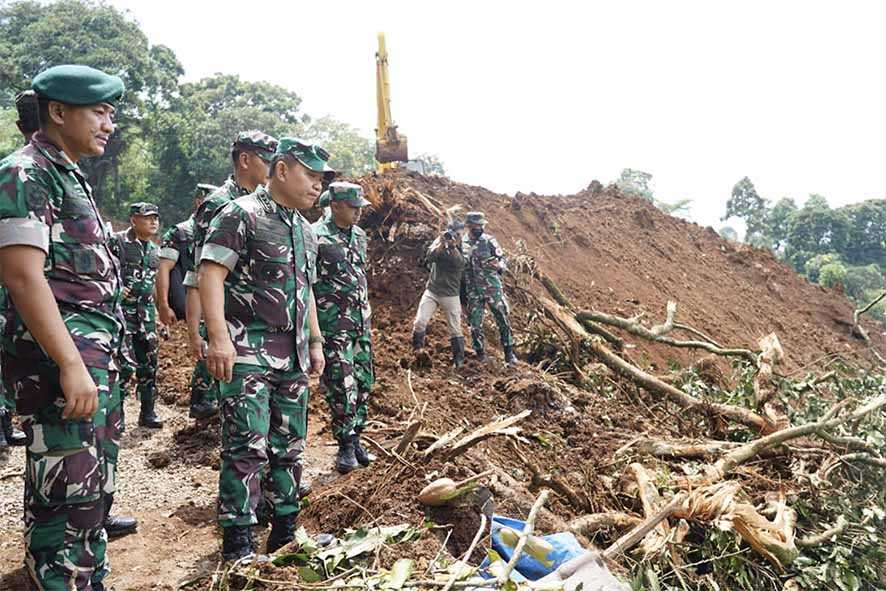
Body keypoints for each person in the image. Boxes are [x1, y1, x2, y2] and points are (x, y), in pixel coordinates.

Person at [0, 63, 125, 591]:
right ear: (57, 112)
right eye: (99, 111)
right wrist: (72, 365)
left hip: (89, 365)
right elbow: (23, 277)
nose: (108, 123)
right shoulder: (24, 172)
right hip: (62, 367)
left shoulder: (67, 172)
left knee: (89, 492)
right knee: (68, 496)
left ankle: (82, 576)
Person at [198, 137, 332, 560]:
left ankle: (285, 531)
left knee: (289, 445)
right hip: (248, 351)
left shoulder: (306, 231)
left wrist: (314, 340)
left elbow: (306, 290)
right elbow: (210, 274)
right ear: (281, 170)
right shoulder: (240, 215)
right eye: (310, 175)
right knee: (245, 446)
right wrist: (218, 339)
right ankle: (237, 542)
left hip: (290, 355)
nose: (317, 186)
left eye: (321, 179)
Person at [183, 130, 277, 419]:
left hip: (258, 316)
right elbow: (202, 270)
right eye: (267, 161)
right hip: (227, 313)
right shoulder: (217, 204)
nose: (273, 170)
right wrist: (200, 330)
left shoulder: (267, 203)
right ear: (245, 159)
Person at [312, 182, 376, 473]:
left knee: (364, 382)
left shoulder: (360, 236)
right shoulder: (316, 237)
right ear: (335, 205)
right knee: (341, 384)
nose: (359, 213)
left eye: (361, 207)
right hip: (333, 325)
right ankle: (345, 444)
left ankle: (357, 435)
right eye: (353, 207)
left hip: (360, 323)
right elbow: (307, 285)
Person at [156, 183, 218, 419]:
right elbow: (164, 269)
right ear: (199, 202)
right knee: (206, 344)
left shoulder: (221, 229)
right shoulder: (181, 233)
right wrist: (163, 304)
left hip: (214, 298)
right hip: (191, 299)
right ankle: (201, 401)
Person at [113, 202, 164, 429]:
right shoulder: (117, 242)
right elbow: (102, 268)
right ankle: (117, 416)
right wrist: (115, 287)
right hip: (122, 314)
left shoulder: (155, 250)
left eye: (156, 218)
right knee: (123, 366)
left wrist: (160, 316)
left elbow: (153, 285)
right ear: (134, 220)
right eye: (148, 218)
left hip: (146, 317)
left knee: (149, 364)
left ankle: (147, 412)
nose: (154, 222)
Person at [461, 211, 517, 364]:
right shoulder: (463, 244)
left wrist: (499, 266)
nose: (479, 228)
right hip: (473, 290)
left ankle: (509, 352)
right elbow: (461, 270)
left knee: (502, 318)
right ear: (469, 226)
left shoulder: (490, 241)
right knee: (475, 324)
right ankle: (480, 354)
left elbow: (503, 260)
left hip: (492, 288)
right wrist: (462, 297)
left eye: (481, 225)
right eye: (475, 225)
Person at [411, 219, 467, 367]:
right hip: (433, 291)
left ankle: (459, 362)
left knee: (455, 330)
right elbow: (430, 256)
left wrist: (454, 248)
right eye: (452, 232)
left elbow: (460, 264)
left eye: (458, 233)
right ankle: (418, 353)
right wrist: (442, 244)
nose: (454, 236)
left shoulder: (464, 246)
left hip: (450, 295)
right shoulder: (440, 241)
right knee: (419, 322)